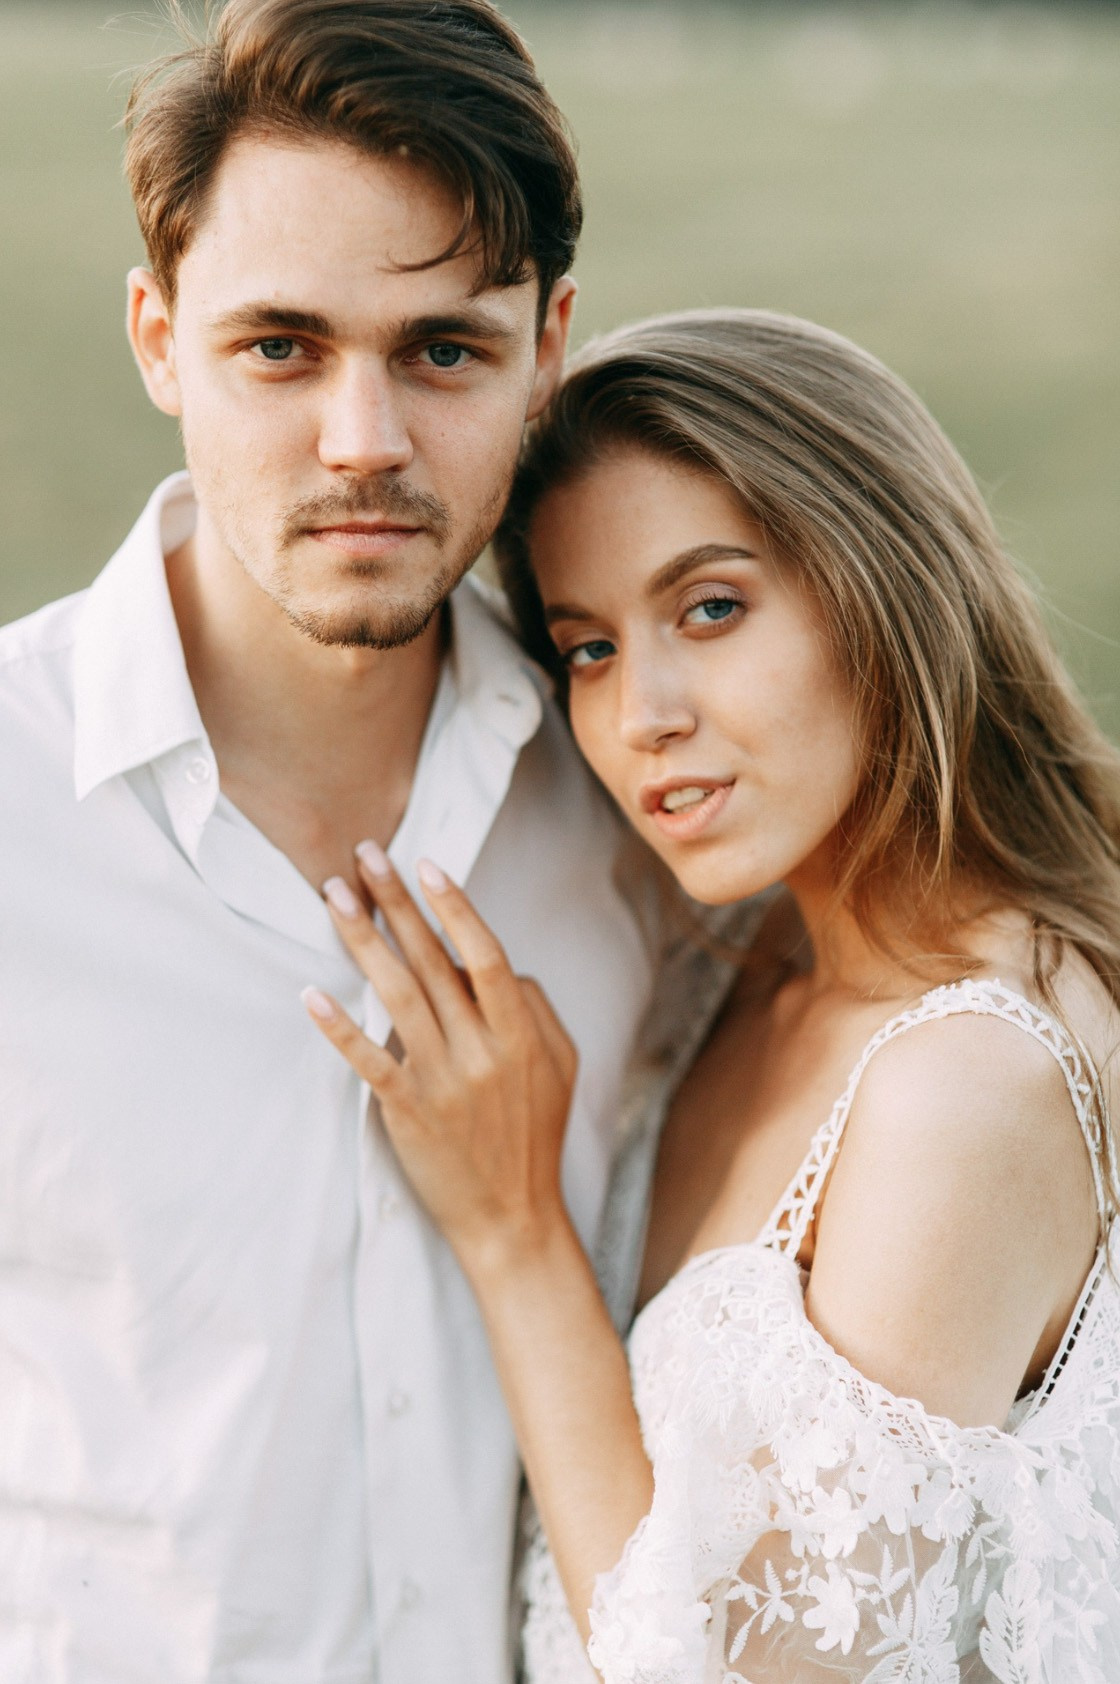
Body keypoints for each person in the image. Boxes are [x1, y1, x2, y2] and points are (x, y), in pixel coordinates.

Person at [304, 309, 1120, 1682]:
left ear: (886, 584)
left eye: (713, 607)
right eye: (589, 648)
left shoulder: (970, 1082)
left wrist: (517, 1238)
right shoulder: (728, 976)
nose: (643, 715)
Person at [0, 4, 658, 1680]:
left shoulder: (656, 828)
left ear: (549, 343)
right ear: (157, 336)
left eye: (442, 349)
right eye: (279, 347)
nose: (362, 441)